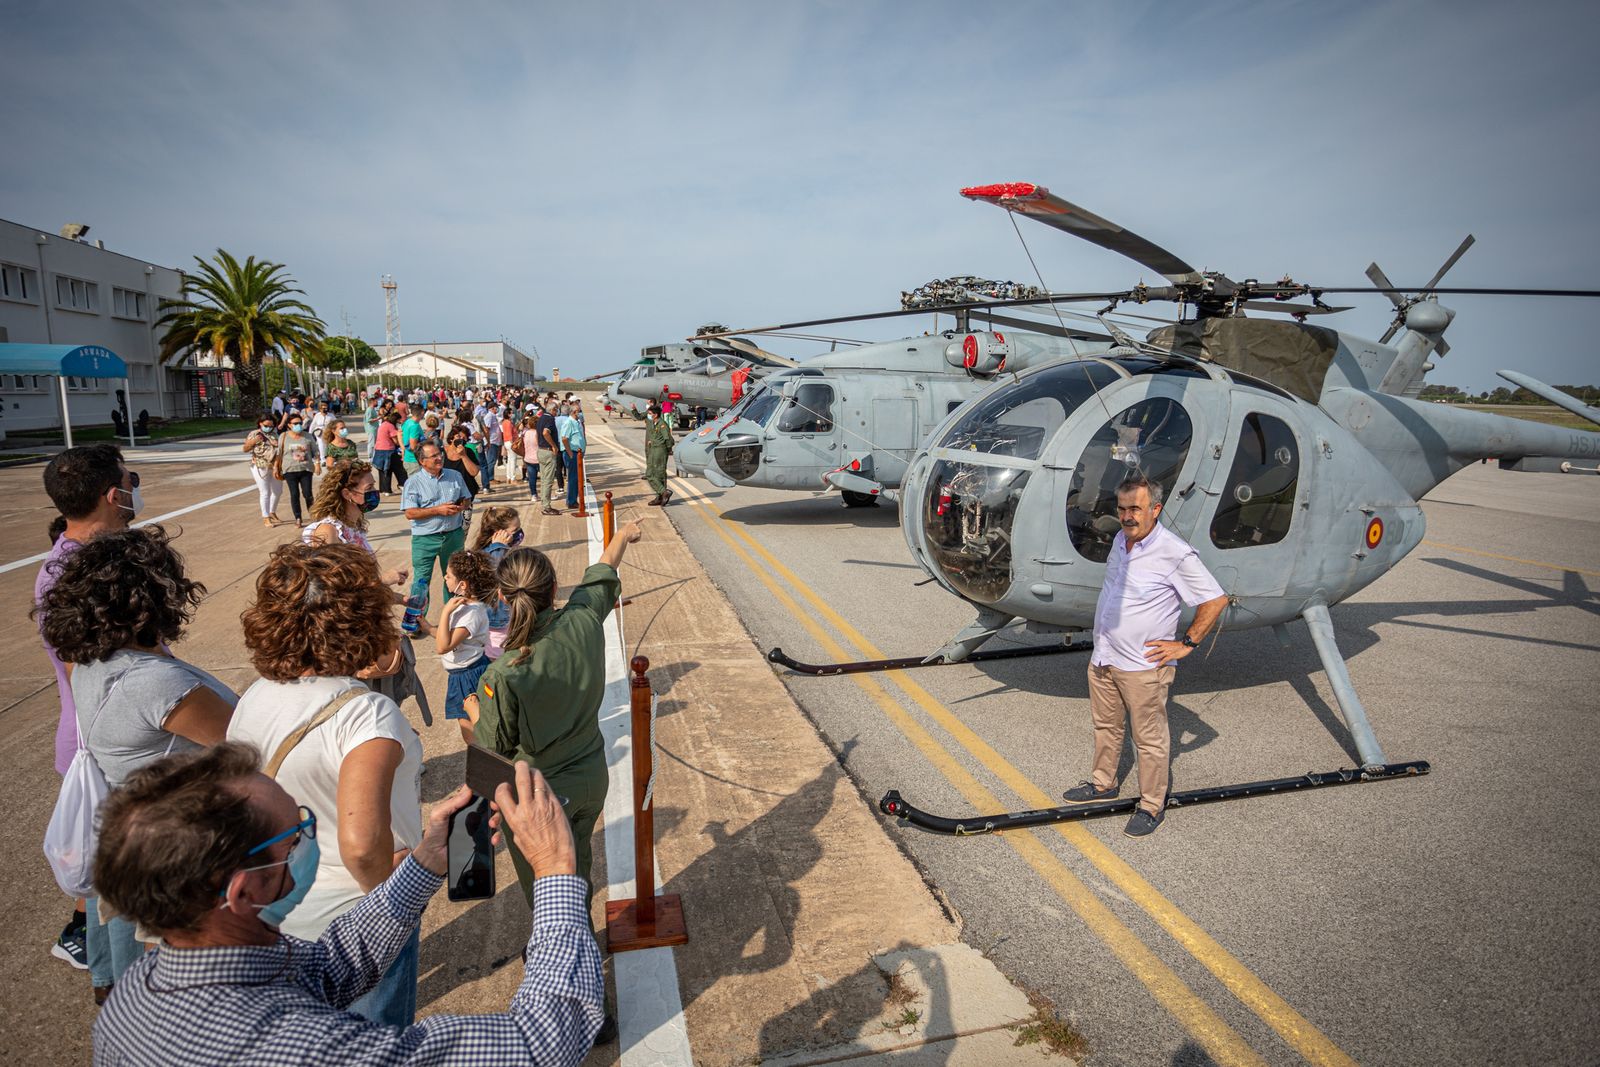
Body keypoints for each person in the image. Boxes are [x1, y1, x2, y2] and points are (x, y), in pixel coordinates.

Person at [90, 744, 603, 1062]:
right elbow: (540, 1044)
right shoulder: (298, 1048)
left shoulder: (137, 991)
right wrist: (556, 871)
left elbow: (325, 970)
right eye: (296, 836)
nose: (310, 838)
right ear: (245, 891)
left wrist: (424, 863)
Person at [35, 526, 237, 1000]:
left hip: (137, 837)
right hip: (184, 853)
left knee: (141, 984)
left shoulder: (89, 661)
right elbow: (248, 741)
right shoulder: (154, 684)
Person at [228, 542, 421, 1026]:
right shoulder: (366, 714)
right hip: (353, 920)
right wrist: (391, 908)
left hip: (279, 914)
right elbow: (360, 845)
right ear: (362, 621)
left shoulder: (254, 696)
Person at [470, 519, 643, 910]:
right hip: (591, 778)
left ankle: (565, 951)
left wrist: (472, 715)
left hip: (539, 793)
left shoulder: (505, 672)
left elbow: (488, 756)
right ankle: (581, 932)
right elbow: (602, 572)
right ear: (552, 589)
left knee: (548, 892)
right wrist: (624, 535)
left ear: (501, 597)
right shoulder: (583, 621)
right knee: (578, 860)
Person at [1061, 474, 1229, 837]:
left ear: (1155, 509)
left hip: (1143, 667)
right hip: (1105, 658)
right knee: (1106, 727)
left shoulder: (1173, 552)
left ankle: (1152, 805)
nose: (1127, 516)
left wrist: (1187, 644)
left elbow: (1215, 600)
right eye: (1122, 509)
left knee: (1149, 740)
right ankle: (1102, 783)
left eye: (1135, 508)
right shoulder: (1121, 541)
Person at [34, 444, 139, 974]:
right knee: (115, 881)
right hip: (103, 746)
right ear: (110, 494)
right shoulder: (73, 575)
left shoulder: (87, 561)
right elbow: (90, 675)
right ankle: (100, 960)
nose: (133, 490)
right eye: (128, 480)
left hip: (106, 740)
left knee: (109, 874)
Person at [436, 550, 496, 743]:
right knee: (468, 723)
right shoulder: (463, 607)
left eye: (449, 575)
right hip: (461, 672)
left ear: (462, 584)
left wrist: (445, 612)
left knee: (470, 726)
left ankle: (482, 759)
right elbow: (450, 638)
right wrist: (428, 627)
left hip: (468, 674)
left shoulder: (471, 614)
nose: (445, 577)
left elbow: (443, 646)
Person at [401, 441, 471, 604]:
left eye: (440, 454)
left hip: (453, 536)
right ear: (421, 461)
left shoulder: (455, 476)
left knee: (456, 579)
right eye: (434, 456)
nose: (440, 458)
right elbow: (410, 513)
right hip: (425, 540)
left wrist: (461, 506)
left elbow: (466, 499)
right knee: (421, 583)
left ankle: (455, 618)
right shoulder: (413, 482)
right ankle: (416, 621)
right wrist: (438, 510)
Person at [469, 505, 521, 658]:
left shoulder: (504, 551)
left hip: (508, 619)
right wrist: (498, 547)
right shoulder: (488, 555)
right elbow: (494, 579)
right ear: (498, 533)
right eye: (515, 531)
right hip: (497, 624)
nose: (519, 534)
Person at [275, 414, 317, 524]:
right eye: (295, 423)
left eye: (300, 423)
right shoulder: (283, 436)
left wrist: (317, 464)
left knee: (307, 493)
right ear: (289, 425)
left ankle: (312, 514)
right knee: (294, 494)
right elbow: (279, 453)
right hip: (289, 470)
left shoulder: (308, 436)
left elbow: (315, 451)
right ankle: (298, 517)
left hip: (306, 469)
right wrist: (275, 467)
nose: (298, 425)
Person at [243, 416, 285, 527]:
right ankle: (266, 517)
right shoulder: (254, 434)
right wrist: (253, 442)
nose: (269, 428)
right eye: (266, 426)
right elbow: (245, 449)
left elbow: (279, 451)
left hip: (275, 465)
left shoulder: (275, 435)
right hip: (259, 465)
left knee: (278, 491)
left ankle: (272, 512)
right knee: (265, 492)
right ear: (260, 423)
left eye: (271, 426)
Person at [644, 403, 675, 506]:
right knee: (650, 474)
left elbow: (668, 439)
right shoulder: (654, 423)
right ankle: (663, 492)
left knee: (659, 474)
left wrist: (668, 450)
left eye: (650, 413)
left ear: (656, 414)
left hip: (660, 451)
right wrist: (651, 442)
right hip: (653, 450)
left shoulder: (662, 424)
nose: (649, 415)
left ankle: (660, 495)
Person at [536, 402, 562, 515]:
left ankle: (544, 502)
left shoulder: (541, 418)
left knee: (543, 479)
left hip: (541, 450)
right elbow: (545, 433)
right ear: (553, 410)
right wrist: (554, 446)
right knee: (548, 480)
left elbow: (538, 434)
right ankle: (546, 506)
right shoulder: (550, 419)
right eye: (556, 410)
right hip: (548, 451)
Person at [560, 401, 587, 509]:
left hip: (578, 453)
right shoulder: (569, 422)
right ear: (574, 412)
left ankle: (574, 499)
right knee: (573, 478)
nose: (580, 413)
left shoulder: (577, 421)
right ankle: (571, 501)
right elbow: (564, 438)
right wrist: (570, 453)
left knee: (577, 478)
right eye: (579, 411)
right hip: (572, 453)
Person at [441, 428, 481, 499]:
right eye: (458, 436)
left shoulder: (468, 451)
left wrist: (463, 456)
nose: (461, 438)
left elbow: (474, 472)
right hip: (447, 491)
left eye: (463, 437)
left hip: (466, 491)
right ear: (451, 439)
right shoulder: (442, 452)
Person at [374, 411, 406, 495]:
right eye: (399, 420)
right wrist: (402, 443)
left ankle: (385, 490)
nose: (400, 422)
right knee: (399, 468)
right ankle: (402, 484)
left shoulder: (384, 424)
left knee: (384, 470)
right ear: (396, 420)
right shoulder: (391, 426)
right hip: (388, 450)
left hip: (379, 449)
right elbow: (396, 441)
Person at [520, 414, 542, 502]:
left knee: (532, 478)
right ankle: (544, 494)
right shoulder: (537, 433)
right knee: (545, 478)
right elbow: (539, 444)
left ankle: (534, 494)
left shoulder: (526, 433)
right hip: (537, 458)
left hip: (528, 457)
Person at [400, 408, 423, 476]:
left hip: (407, 458)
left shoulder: (407, 422)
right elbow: (413, 446)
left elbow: (399, 433)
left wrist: (403, 447)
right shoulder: (415, 426)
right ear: (421, 413)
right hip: (414, 461)